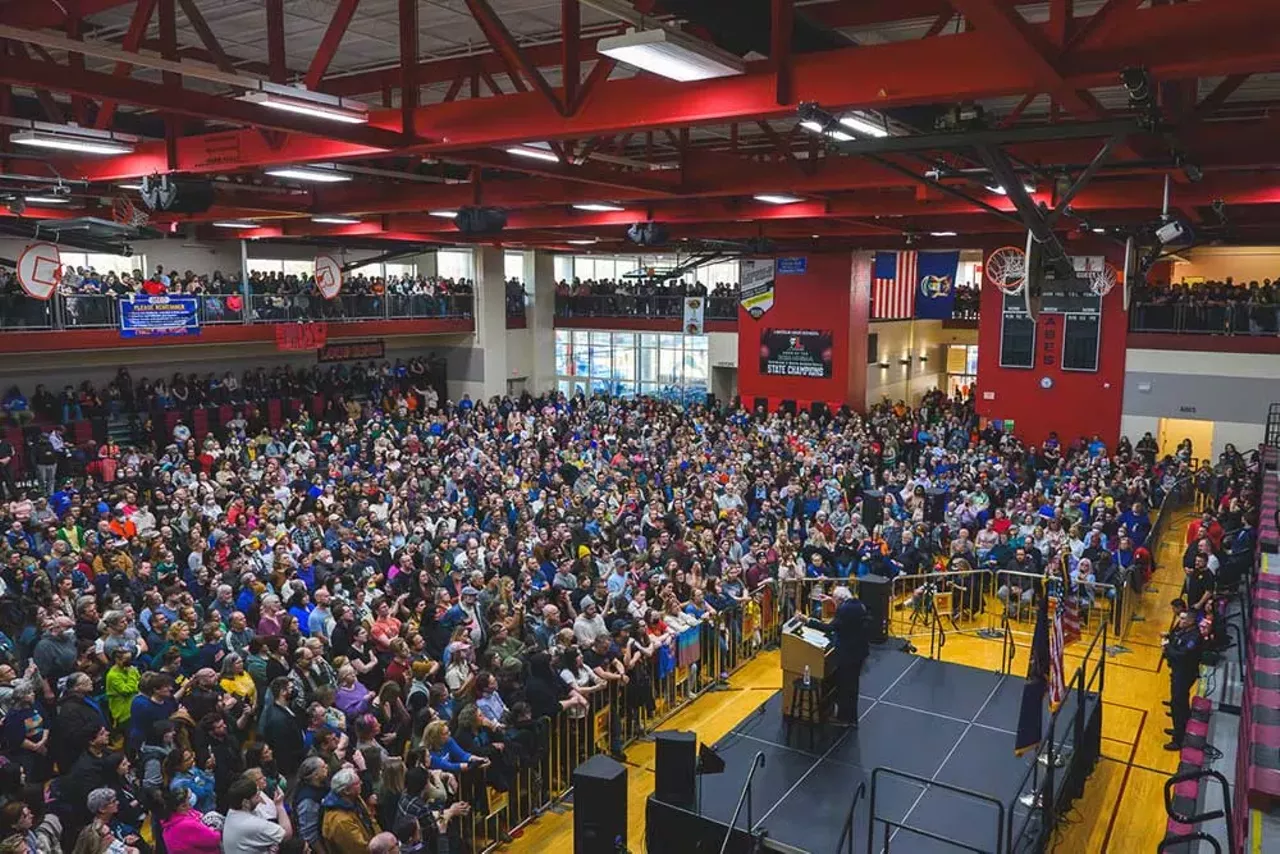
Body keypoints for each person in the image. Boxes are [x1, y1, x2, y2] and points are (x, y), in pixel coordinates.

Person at [805, 585, 869, 726]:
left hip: (849, 654)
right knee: (853, 686)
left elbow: (830, 627)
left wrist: (808, 621)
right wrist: (831, 600)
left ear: (839, 600)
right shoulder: (856, 604)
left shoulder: (844, 610)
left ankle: (844, 719)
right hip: (859, 651)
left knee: (846, 687)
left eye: (835, 599)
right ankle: (850, 717)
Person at [1163, 610, 1203, 751]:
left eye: (1184, 620)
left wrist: (1168, 648)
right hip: (1178, 672)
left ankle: (1178, 740)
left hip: (1184, 674)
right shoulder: (1184, 632)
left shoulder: (1194, 637)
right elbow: (1175, 644)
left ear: (1191, 621)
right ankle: (1178, 729)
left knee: (1179, 705)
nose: (1181, 622)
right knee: (1178, 704)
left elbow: (1182, 654)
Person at [223, 774, 291, 853]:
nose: (259, 800)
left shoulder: (232, 812)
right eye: (257, 796)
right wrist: (279, 806)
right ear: (245, 802)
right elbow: (286, 835)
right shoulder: (253, 824)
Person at [320, 767, 380, 854]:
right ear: (347, 791)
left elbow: (371, 820)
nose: (361, 783)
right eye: (357, 783)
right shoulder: (340, 821)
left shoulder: (355, 798)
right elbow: (359, 849)